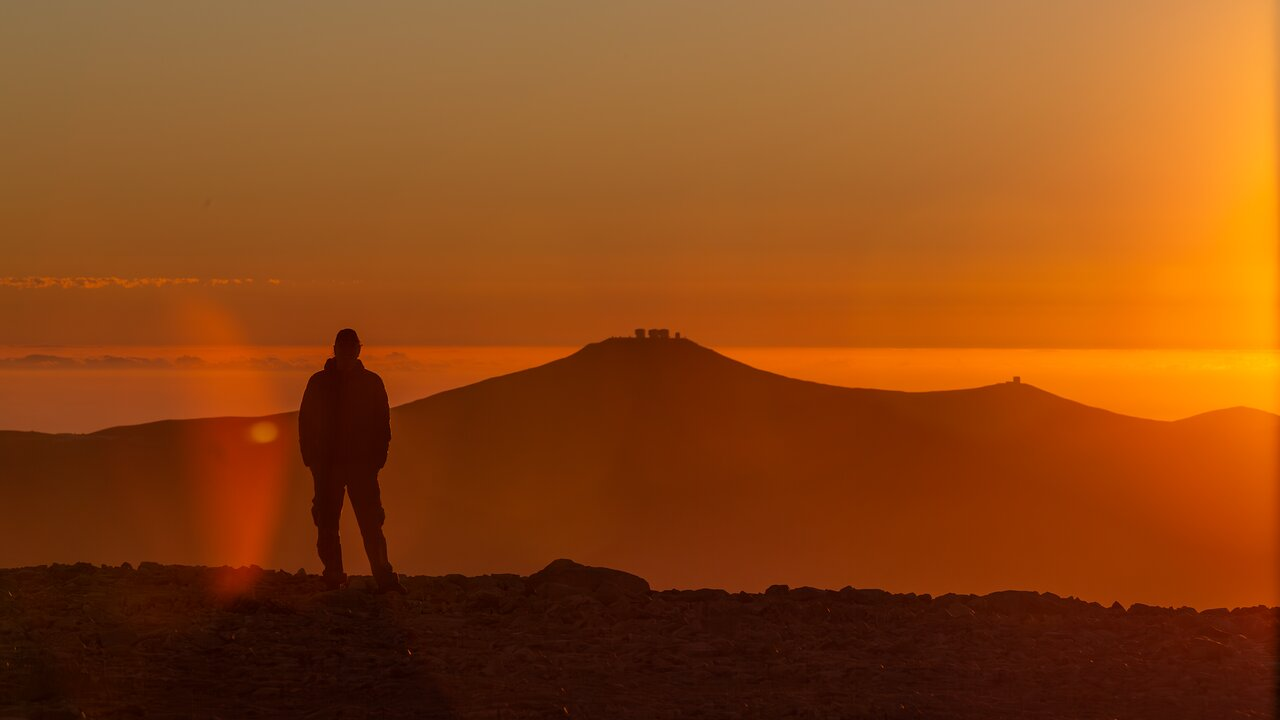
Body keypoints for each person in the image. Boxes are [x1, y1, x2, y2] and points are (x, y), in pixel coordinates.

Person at [298, 328, 407, 594]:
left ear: (357, 350)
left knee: (369, 522)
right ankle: (336, 574)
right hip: (330, 466)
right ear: (335, 349)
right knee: (329, 522)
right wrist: (312, 460)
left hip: (358, 466)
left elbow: (383, 424)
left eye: (351, 347)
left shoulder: (368, 383)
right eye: (343, 347)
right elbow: (306, 422)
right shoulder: (322, 382)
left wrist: (377, 460)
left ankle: (379, 576)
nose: (347, 352)